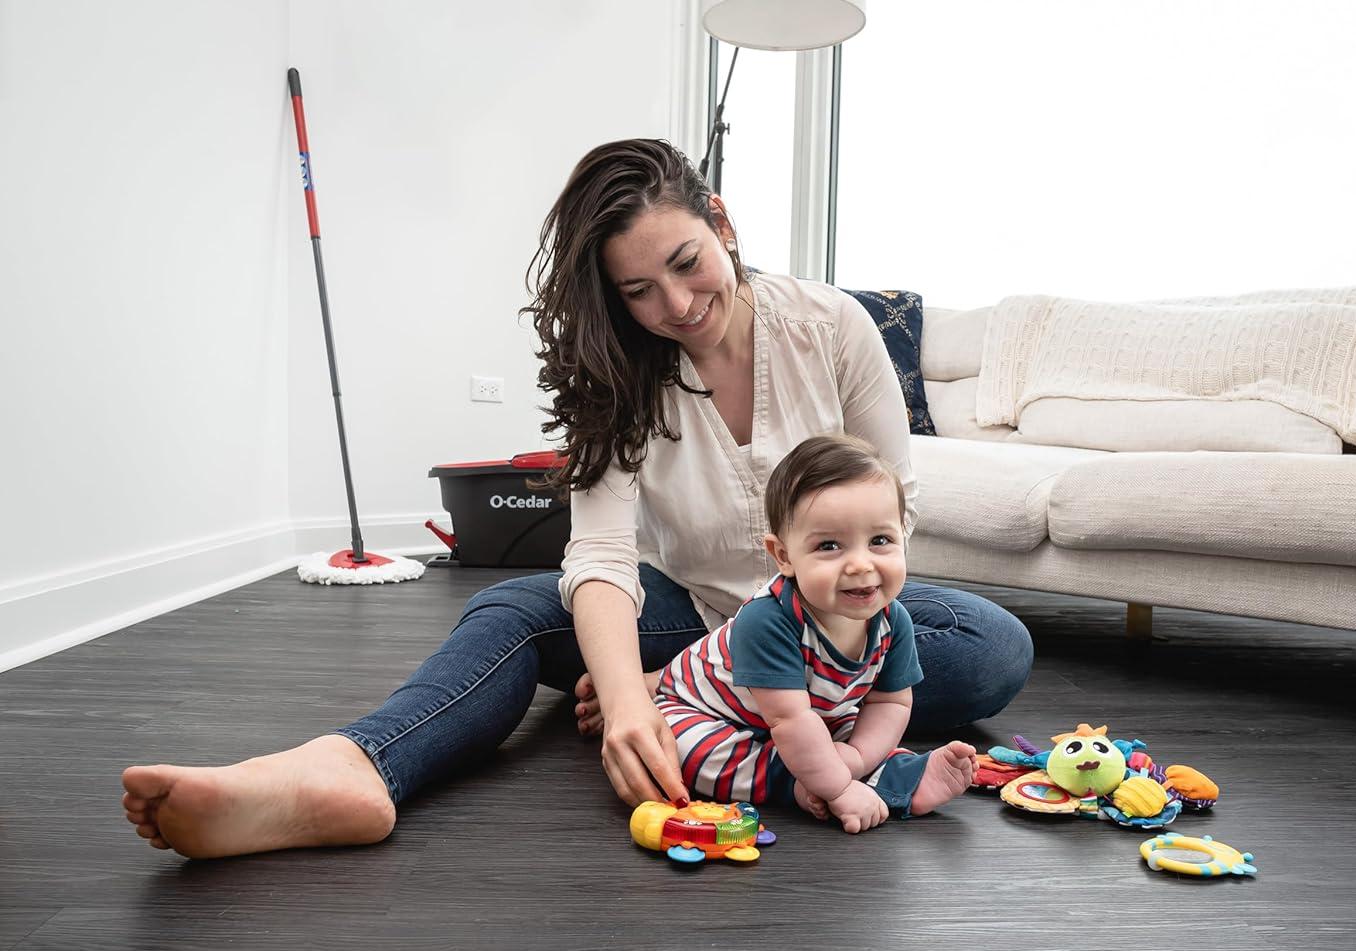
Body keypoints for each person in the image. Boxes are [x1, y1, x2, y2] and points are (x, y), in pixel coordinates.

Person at [119, 138, 1033, 859]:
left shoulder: (834, 328)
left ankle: (718, 708)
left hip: (829, 621)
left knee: (992, 648)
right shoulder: (615, 370)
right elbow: (599, 553)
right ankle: (351, 769)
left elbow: (889, 507)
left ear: (720, 219)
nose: (676, 304)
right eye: (638, 289)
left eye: (686, 262)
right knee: (513, 610)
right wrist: (634, 703)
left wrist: (719, 656)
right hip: (685, 622)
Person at [656, 434, 976, 834]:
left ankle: (905, 776)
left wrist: (856, 757)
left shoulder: (894, 622)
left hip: (813, 718)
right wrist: (841, 787)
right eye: (829, 546)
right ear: (784, 557)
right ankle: (792, 783)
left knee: (851, 736)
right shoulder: (769, 620)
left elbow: (890, 703)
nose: (860, 564)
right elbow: (789, 720)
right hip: (708, 712)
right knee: (685, 749)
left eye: (880, 540)